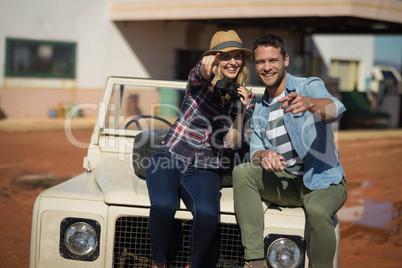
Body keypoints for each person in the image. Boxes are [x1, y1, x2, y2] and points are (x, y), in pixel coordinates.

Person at [233, 33, 348, 268]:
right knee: (242, 172)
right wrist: (265, 155)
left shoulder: (308, 86)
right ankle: (255, 260)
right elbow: (255, 150)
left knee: (316, 210)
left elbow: (335, 109)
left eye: (273, 60)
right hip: (286, 183)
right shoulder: (261, 109)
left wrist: (309, 103)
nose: (267, 68)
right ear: (255, 66)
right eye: (261, 62)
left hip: (323, 180)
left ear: (285, 60)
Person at [146, 30, 256, 268]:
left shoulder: (248, 97)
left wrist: (241, 111)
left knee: (208, 214)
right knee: (163, 205)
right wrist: (205, 69)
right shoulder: (200, 85)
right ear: (215, 60)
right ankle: (158, 262)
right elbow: (198, 74)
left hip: (205, 167)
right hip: (170, 157)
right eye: (225, 56)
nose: (233, 61)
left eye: (237, 56)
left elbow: (232, 143)